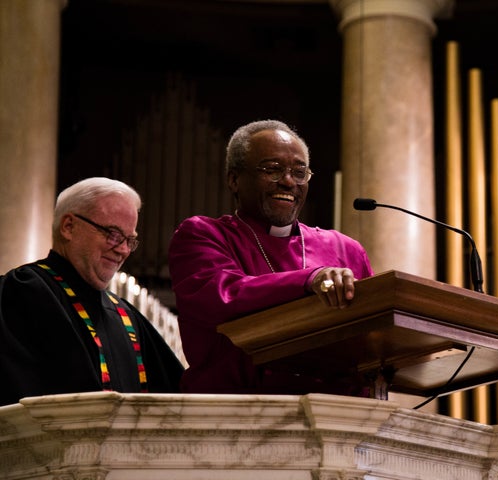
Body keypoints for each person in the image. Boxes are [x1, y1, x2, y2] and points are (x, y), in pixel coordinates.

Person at [168, 119, 374, 395]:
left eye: (299, 172)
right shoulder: (203, 234)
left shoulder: (346, 250)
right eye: (272, 169)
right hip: (235, 412)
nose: (289, 181)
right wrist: (310, 279)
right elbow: (224, 296)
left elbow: (372, 338)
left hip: (335, 415)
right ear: (234, 179)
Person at [0, 177, 185, 406]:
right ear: (69, 227)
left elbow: (176, 397)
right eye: (113, 234)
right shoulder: (22, 291)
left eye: (130, 240)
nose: (123, 250)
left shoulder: (126, 316)